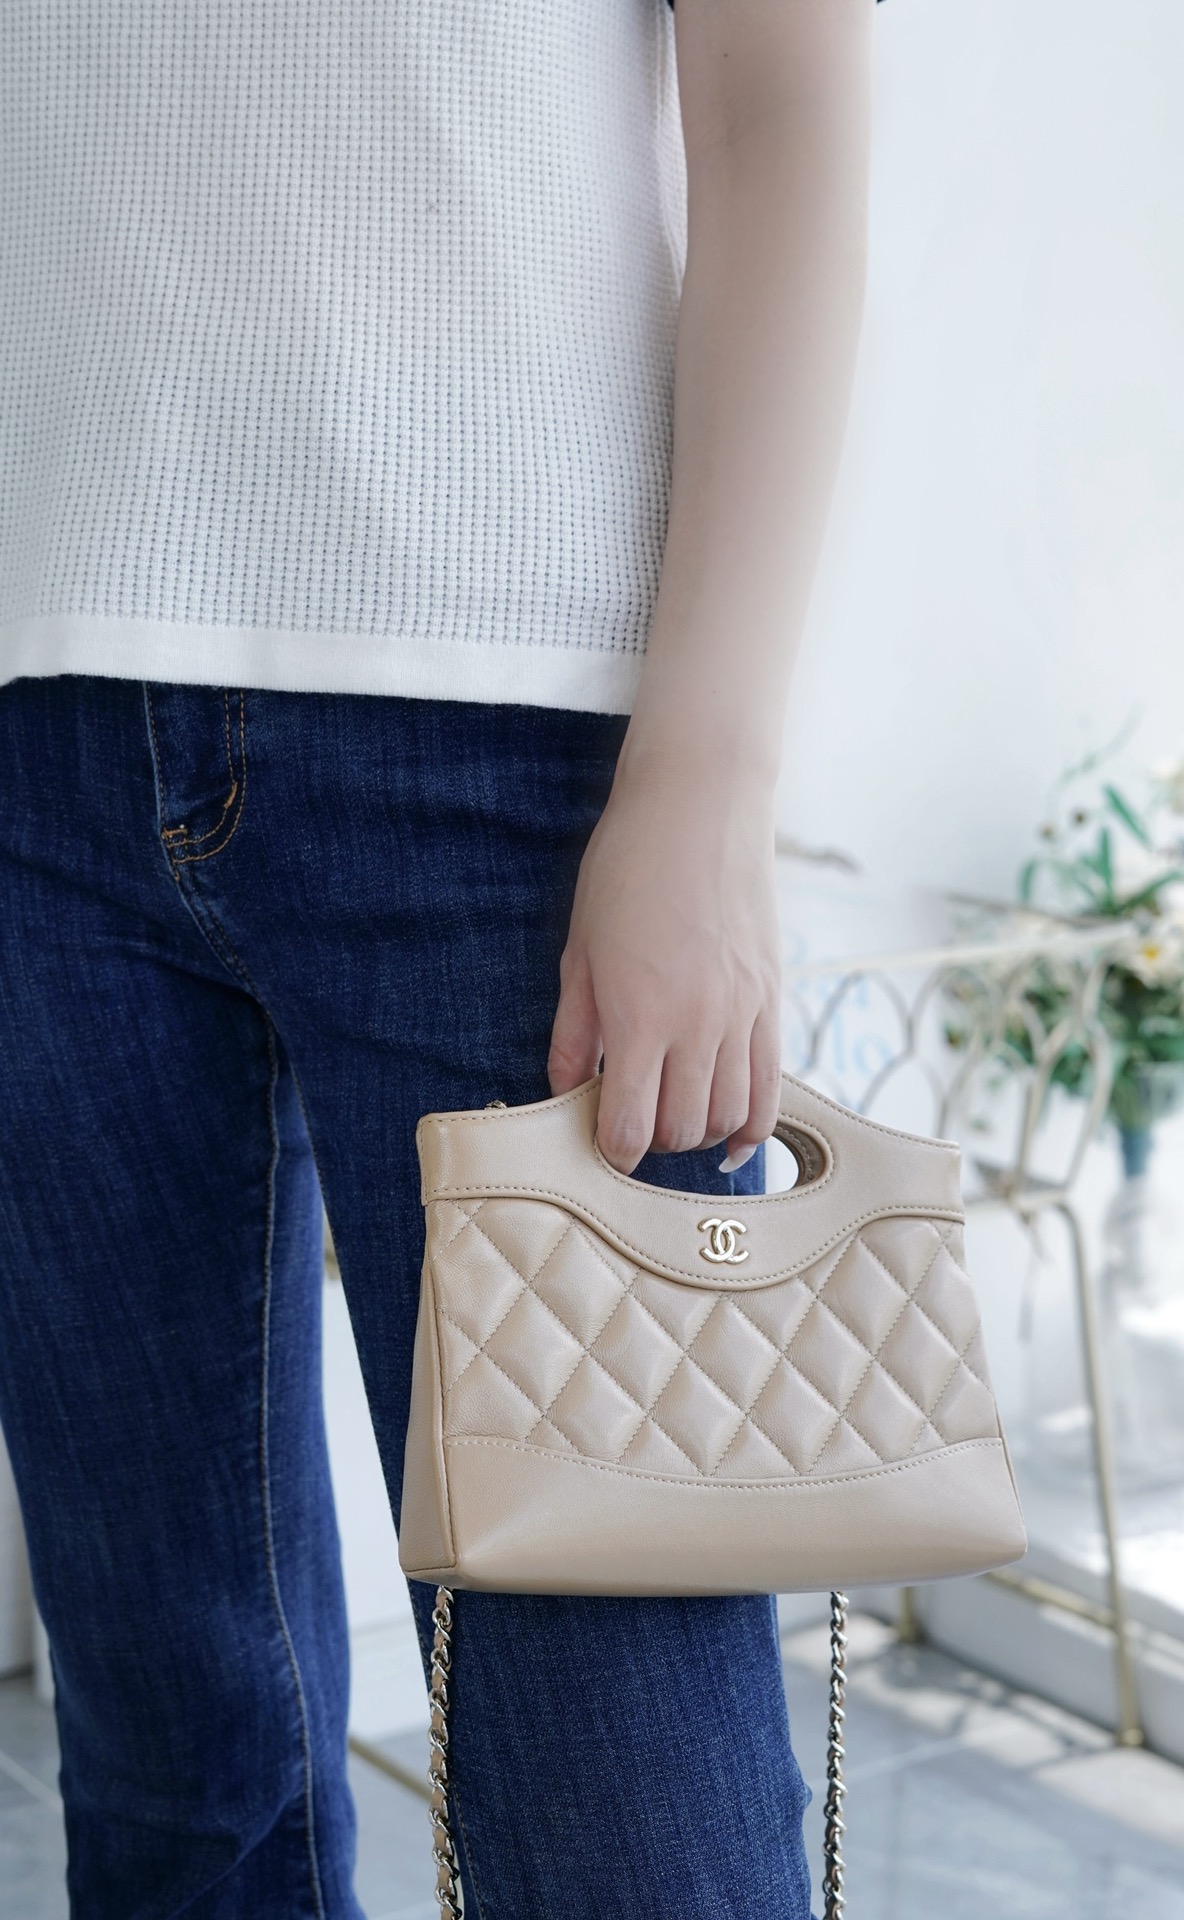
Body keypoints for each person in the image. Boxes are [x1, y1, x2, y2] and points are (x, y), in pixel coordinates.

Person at [0, 0, 875, 1912]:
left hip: (517, 744)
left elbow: (786, 110)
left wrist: (708, 779)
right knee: (171, 1779)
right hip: (32, 711)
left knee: (630, 1816)